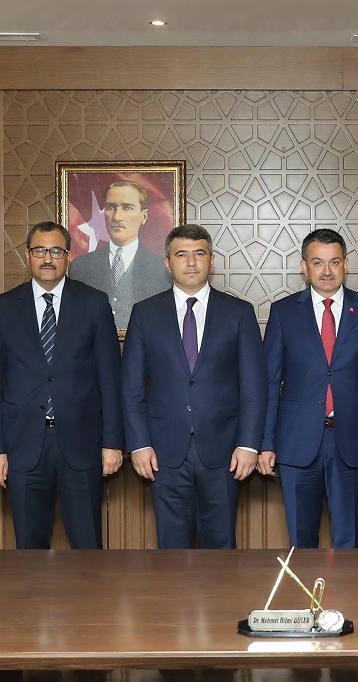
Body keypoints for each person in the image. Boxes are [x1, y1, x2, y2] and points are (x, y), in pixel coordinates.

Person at [0, 221, 124, 548]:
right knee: (29, 548)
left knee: (87, 545)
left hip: (82, 444)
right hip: (22, 446)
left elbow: (110, 380)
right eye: (40, 250)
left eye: (56, 251)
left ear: (68, 256)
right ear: (27, 255)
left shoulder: (94, 303)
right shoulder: (2, 308)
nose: (48, 258)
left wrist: (113, 443)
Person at [122, 224, 265, 548]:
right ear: (167, 262)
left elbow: (254, 387)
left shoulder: (239, 313)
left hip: (225, 451)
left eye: (199, 254)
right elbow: (131, 387)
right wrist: (139, 444)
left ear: (211, 260)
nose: (190, 262)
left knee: (221, 547)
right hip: (163, 453)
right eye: (181, 255)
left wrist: (248, 445)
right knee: (171, 550)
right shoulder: (145, 313)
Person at [259, 228, 358, 548]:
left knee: (349, 541)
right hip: (296, 442)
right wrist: (265, 443)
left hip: (352, 442)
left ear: (346, 264)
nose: (327, 271)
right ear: (304, 266)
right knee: (301, 540)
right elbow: (269, 382)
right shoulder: (283, 312)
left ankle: (348, 586)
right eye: (317, 262)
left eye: (334, 262)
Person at [67, 180, 172, 328]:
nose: (116, 217)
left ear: (144, 216)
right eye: (110, 207)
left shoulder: (162, 269)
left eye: (127, 207)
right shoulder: (80, 267)